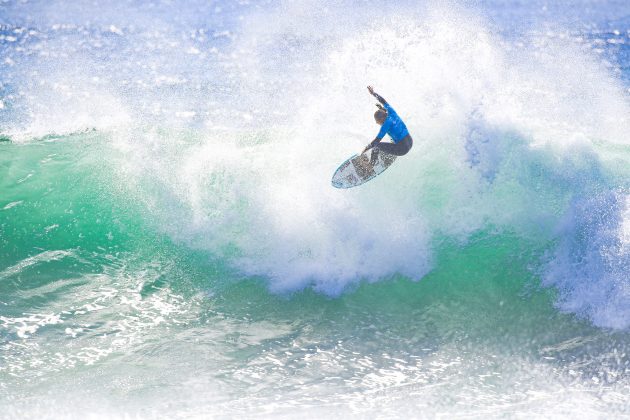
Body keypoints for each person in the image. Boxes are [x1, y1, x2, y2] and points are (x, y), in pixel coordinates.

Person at [364, 86, 413, 165]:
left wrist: (365, 150)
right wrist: (373, 93)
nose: (377, 123)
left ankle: (370, 166)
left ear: (381, 119)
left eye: (377, 121)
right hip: (410, 142)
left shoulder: (386, 125)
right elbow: (383, 101)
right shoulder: (392, 112)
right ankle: (386, 153)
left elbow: (376, 141)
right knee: (392, 139)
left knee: (376, 146)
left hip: (402, 149)